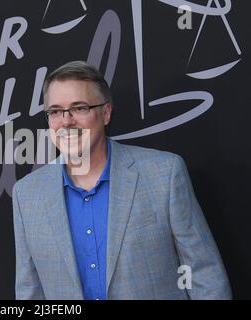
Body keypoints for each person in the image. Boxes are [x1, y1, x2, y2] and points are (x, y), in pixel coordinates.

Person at [12, 61, 231, 300]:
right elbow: (29, 290)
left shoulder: (164, 174)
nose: (66, 122)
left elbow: (204, 274)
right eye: (55, 111)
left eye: (79, 108)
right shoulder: (27, 195)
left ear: (105, 113)